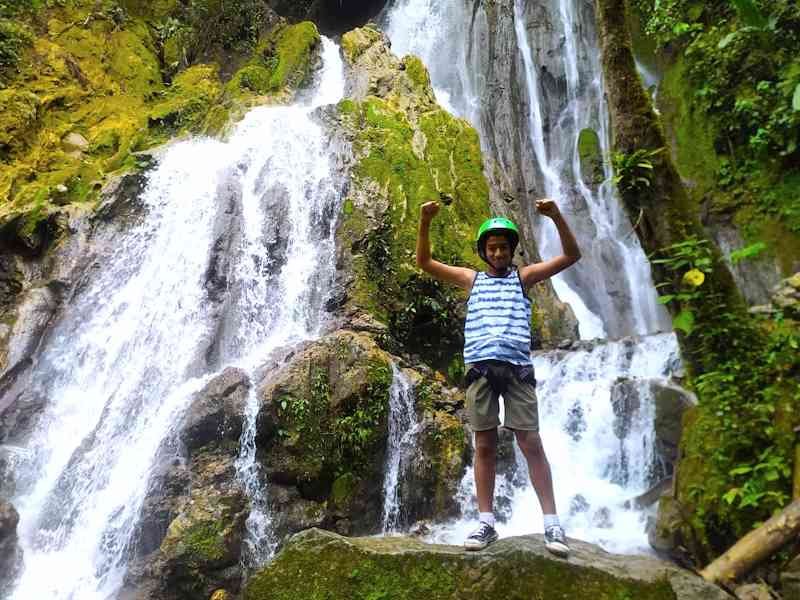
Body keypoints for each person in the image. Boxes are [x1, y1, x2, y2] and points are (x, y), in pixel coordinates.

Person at [415, 198, 581, 556]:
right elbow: (425, 262)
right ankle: (486, 521)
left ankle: (552, 523)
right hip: (479, 372)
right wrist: (425, 220)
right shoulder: (470, 279)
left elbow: (570, 256)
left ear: (511, 249)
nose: (498, 252)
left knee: (531, 443)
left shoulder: (525, 277)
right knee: (485, 446)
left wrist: (555, 216)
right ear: (483, 252)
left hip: (517, 371)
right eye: (492, 247)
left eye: (503, 246)